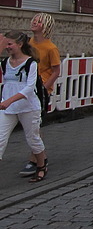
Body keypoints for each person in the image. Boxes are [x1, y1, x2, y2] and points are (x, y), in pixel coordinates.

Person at [0, 31, 48, 183]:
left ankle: (41, 165)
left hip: (28, 107)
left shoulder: (30, 63)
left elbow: (29, 88)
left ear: (19, 44)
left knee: (33, 138)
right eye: (5, 44)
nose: (7, 47)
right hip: (8, 109)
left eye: (9, 44)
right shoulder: (5, 63)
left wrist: (10, 100)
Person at [19, 13, 60, 177]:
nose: (34, 23)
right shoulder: (27, 43)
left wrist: (44, 88)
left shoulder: (51, 48)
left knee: (35, 124)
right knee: (29, 124)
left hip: (40, 89)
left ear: (45, 26)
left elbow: (56, 71)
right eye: (33, 20)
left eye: (38, 21)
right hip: (26, 87)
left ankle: (35, 159)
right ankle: (39, 156)